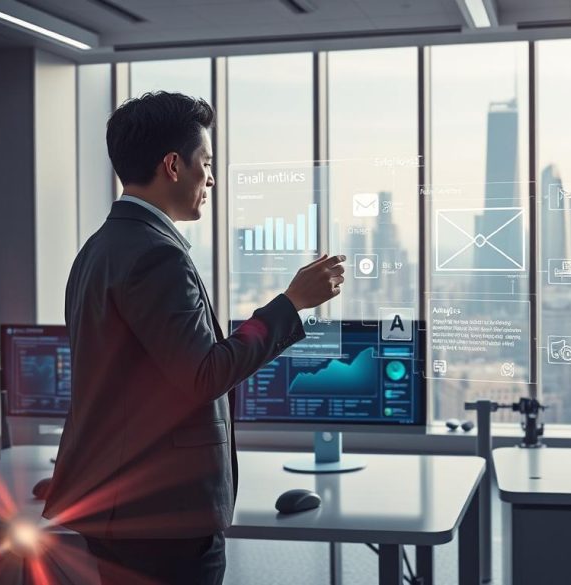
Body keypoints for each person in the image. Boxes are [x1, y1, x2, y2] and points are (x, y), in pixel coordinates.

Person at [41, 91, 344, 585]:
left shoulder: (100, 247)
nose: (212, 178)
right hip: (161, 517)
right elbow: (204, 374)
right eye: (206, 162)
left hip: (127, 506)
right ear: (173, 165)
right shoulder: (154, 254)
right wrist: (291, 305)